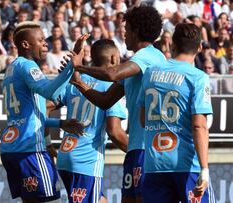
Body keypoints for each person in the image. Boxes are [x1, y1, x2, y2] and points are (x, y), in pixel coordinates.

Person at [71, 6, 165, 203]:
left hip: (148, 150)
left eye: (127, 28)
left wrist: (79, 66)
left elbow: (112, 73)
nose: (124, 33)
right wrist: (79, 83)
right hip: (135, 149)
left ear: (136, 30)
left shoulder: (149, 56)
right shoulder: (135, 64)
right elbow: (105, 101)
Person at [0, 21, 88, 203]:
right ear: (25, 44)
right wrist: (72, 66)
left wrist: (60, 123)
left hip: (11, 149)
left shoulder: (11, 69)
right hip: (30, 149)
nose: (45, 43)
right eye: (40, 40)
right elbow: (50, 92)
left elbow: (28, 116)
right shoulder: (28, 66)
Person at [137, 23, 216, 203]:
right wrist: (204, 169)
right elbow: (199, 125)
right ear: (200, 47)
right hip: (187, 166)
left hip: (154, 165)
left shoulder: (150, 73)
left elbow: (143, 120)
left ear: (173, 44)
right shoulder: (197, 77)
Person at [55, 39, 129, 203]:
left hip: (65, 155)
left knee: (98, 199)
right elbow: (114, 132)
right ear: (113, 58)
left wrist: (47, 141)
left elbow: (45, 106)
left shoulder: (76, 80)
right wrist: (138, 153)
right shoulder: (111, 86)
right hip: (86, 159)